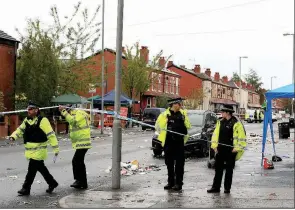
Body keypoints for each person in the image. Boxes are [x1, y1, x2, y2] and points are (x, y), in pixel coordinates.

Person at [9, 102, 59, 196]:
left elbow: (51, 135)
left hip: (39, 151)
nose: (29, 110)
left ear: (36, 110)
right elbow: (20, 129)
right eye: (28, 109)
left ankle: (26, 188)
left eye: (31, 109)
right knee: (41, 168)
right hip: (31, 152)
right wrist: (13, 136)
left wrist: (55, 148)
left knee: (31, 170)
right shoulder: (27, 120)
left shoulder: (43, 120)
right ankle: (52, 183)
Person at [207, 105, 247, 194]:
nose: (221, 113)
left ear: (228, 113)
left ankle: (227, 188)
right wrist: (214, 146)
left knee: (229, 170)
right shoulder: (220, 122)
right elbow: (215, 134)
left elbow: (242, 137)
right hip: (220, 149)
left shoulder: (236, 123)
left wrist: (236, 149)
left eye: (223, 112)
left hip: (231, 150)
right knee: (218, 169)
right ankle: (215, 187)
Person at [155, 98, 191, 191]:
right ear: (174, 105)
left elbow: (188, 126)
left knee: (179, 164)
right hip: (168, 142)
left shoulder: (183, 114)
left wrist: (183, 120)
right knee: (169, 164)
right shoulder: (164, 115)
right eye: (179, 104)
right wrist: (166, 121)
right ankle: (170, 182)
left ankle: (179, 183)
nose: (180, 105)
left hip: (179, 142)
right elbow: (158, 128)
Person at [59, 105, 91, 189]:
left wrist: (63, 112)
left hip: (82, 141)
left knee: (77, 161)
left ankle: (81, 182)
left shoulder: (79, 113)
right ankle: (81, 182)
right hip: (81, 141)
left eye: (67, 110)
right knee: (78, 161)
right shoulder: (77, 113)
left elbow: (72, 121)